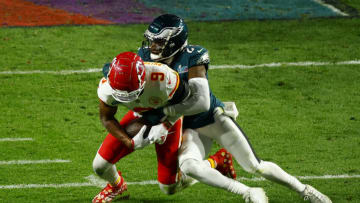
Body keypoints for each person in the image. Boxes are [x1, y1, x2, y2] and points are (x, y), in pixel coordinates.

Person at [137, 13, 332, 203]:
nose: (153, 46)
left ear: (175, 42)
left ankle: (304, 190)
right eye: (152, 40)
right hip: (186, 126)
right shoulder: (144, 57)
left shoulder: (193, 57)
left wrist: (165, 114)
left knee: (255, 166)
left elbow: (202, 103)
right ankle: (247, 192)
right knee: (189, 167)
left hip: (210, 118)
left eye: (159, 41)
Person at [92, 51, 248, 203]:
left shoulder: (162, 78)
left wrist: (164, 125)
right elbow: (106, 118)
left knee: (169, 187)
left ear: (143, 80)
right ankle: (117, 187)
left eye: (130, 92)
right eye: (120, 94)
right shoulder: (107, 87)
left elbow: (188, 102)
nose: (125, 97)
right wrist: (129, 142)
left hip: (168, 117)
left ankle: (217, 161)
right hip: (140, 115)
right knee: (99, 166)